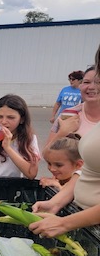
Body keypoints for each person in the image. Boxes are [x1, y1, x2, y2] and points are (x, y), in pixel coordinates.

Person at [30, 44, 100, 238]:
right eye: (87, 82)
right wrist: (57, 202)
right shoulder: (71, 114)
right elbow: (86, 171)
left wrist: (65, 223)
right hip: (86, 221)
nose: (92, 86)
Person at [44, 67, 100, 147]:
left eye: (99, 82)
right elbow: (47, 153)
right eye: (87, 82)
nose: (91, 87)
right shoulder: (67, 114)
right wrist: (62, 132)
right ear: (81, 85)